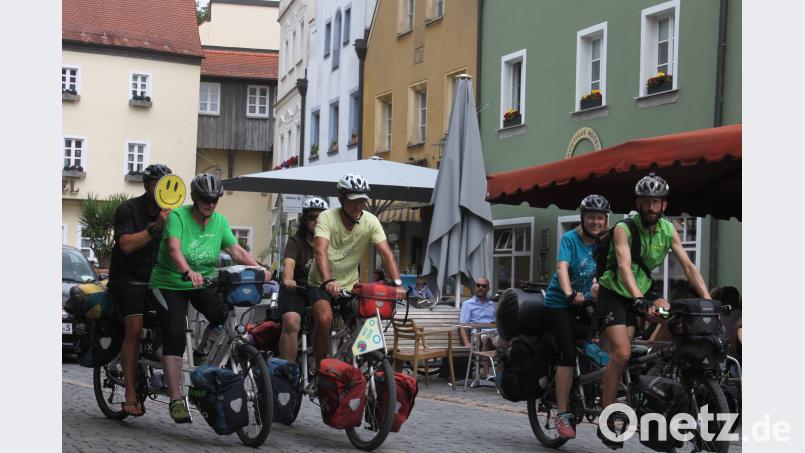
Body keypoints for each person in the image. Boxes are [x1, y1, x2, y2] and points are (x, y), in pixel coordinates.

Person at [595, 172, 711, 448]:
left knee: (675, 317)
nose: (650, 207)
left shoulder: (669, 231)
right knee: (621, 353)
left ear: (663, 206)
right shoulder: (624, 229)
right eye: (645, 202)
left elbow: (688, 266)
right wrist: (637, 299)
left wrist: (707, 299)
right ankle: (607, 416)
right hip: (615, 293)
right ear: (638, 203)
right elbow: (623, 265)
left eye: (655, 202)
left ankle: (653, 367)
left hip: (645, 291)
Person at [148, 173, 265, 423]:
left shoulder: (219, 221)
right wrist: (187, 271)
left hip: (202, 281)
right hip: (169, 282)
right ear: (195, 197)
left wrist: (259, 270)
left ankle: (202, 351)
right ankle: (176, 398)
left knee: (222, 314)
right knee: (176, 335)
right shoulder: (178, 216)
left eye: (214, 199)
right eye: (205, 199)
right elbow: (173, 248)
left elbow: (236, 250)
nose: (210, 204)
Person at [307, 173, 407, 365]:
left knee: (368, 320)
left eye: (362, 201)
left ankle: (370, 367)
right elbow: (320, 251)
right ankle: (322, 367)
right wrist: (328, 281)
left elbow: (386, 253)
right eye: (353, 201)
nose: (358, 206)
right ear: (341, 199)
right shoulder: (327, 217)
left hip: (350, 285)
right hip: (321, 283)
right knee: (325, 319)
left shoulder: (370, 221)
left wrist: (397, 283)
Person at [542, 194, 610, 439]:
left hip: (584, 303)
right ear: (583, 218)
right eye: (591, 217)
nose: (596, 222)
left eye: (600, 218)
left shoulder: (605, 242)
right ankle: (562, 414)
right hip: (559, 303)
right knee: (568, 354)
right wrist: (570, 293)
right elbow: (562, 267)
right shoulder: (570, 239)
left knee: (610, 337)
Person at [107, 163, 173, 417]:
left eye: (167, 183)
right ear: (147, 185)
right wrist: (156, 225)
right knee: (133, 331)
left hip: (156, 279)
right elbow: (126, 245)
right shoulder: (128, 209)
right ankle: (130, 393)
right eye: (158, 183)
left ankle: (155, 354)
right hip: (127, 280)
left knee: (174, 319)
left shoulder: (173, 212)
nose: (162, 188)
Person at [277, 196, 329, 361]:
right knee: (291, 321)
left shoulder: (332, 242)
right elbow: (289, 265)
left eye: (320, 217)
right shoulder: (295, 241)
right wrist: (288, 280)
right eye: (312, 217)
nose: (316, 221)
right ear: (304, 219)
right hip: (297, 289)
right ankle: (286, 372)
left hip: (320, 289)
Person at [458, 277, 496, 378]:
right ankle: (486, 373)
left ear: (488, 288)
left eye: (484, 286)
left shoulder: (493, 305)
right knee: (486, 338)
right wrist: (466, 343)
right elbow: (462, 325)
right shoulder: (467, 304)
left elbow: (497, 323)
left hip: (494, 334)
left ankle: (505, 375)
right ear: (475, 287)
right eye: (478, 285)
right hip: (477, 335)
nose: (481, 288)